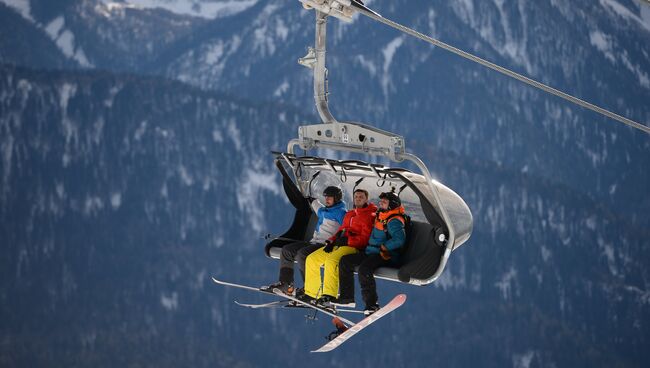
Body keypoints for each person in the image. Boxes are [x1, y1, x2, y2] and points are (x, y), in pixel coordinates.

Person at [260, 186, 346, 295]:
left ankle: (310, 290)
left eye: (330, 197)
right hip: (313, 243)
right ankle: (286, 285)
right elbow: (316, 205)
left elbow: (346, 228)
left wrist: (336, 242)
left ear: (337, 198)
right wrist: (309, 197)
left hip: (325, 245)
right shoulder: (324, 210)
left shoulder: (342, 213)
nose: (327, 199)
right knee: (287, 250)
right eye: (326, 197)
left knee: (303, 254)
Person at [299, 189, 377, 307]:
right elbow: (341, 230)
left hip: (353, 247)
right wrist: (331, 241)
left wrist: (348, 240)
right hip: (339, 245)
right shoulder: (350, 213)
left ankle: (329, 295)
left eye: (361, 197)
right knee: (312, 259)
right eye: (356, 196)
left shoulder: (370, 215)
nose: (358, 198)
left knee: (331, 261)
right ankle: (312, 293)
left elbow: (366, 238)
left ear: (367, 199)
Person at [338, 191, 406, 315]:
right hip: (371, 251)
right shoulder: (381, 214)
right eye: (381, 201)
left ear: (392, 205)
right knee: (345, 261)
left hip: (385, 255)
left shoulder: (394, 221)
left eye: (384, 202)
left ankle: (372, 305)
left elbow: (400, 239)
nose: (381, 203)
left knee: (364, 269)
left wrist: (385, 247)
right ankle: (346, 297)